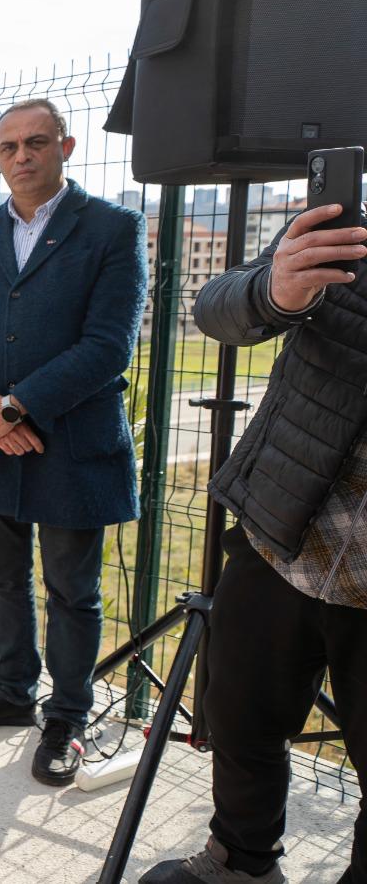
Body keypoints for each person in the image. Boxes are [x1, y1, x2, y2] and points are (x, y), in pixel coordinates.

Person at [140, 202, 367, 884]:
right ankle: (239, 862)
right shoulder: (346, 217)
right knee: (238, 716)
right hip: (283, 530)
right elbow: (217, 307)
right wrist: (275, 290)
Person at [0, 97, 147, 785]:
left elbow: (111, 345)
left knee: (71, 590)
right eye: (8, 147)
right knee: (0, 576)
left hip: (70, 441)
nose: (22, 156)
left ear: (67, 146)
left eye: (36, 142)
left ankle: (69, 716)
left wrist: (18, 408)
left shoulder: (113, 227)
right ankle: (12, 691)